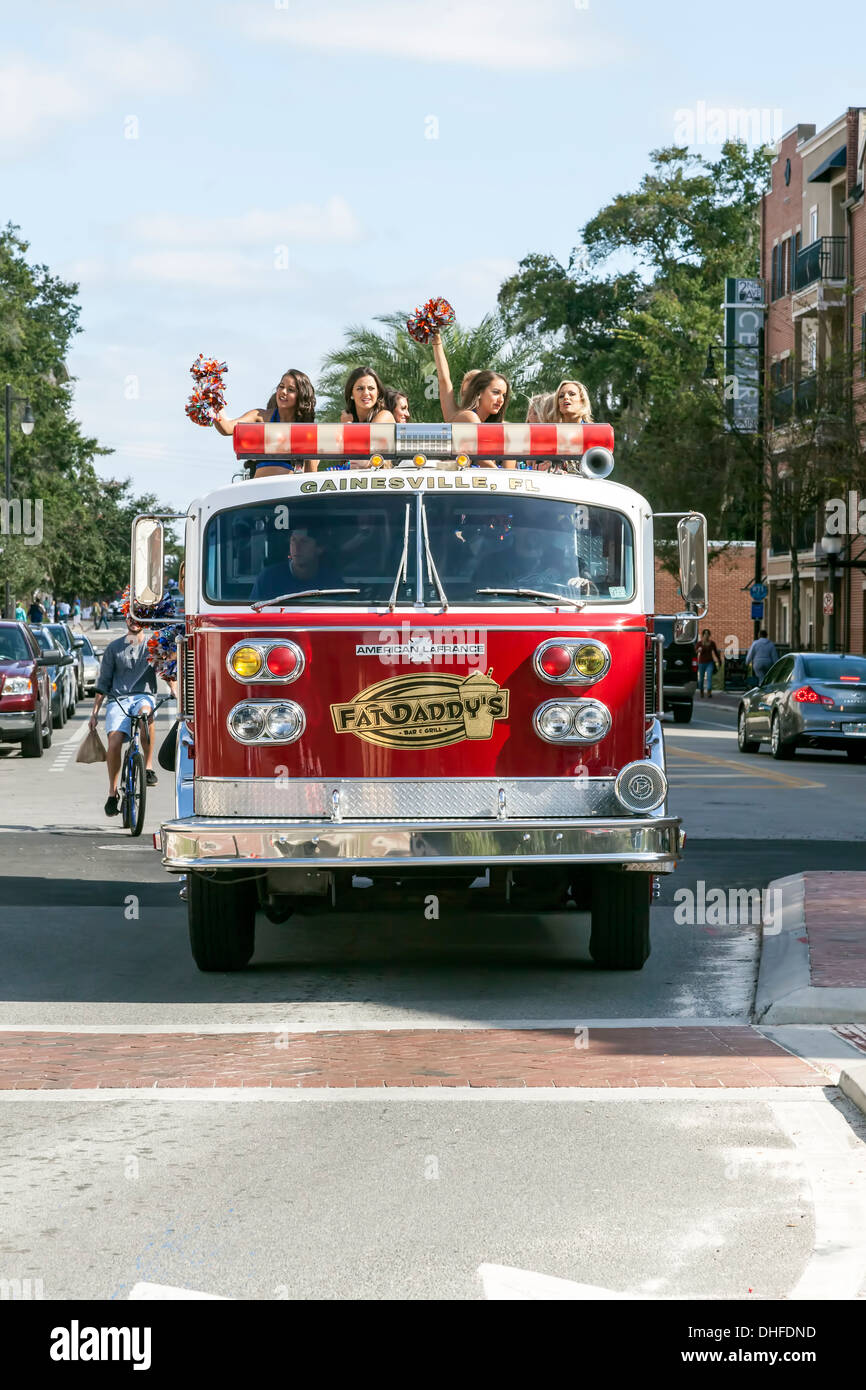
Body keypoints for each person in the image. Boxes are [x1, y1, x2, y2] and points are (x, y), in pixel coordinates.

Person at [90, 611, 175, 816]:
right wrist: (94, 714)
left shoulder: (153, 646)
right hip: (118, 699)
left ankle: (147, 766)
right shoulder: (114, 648)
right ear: (126, 620)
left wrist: (174, 689)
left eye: (139, 619)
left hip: (142, 696)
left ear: (144, 622)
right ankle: (112, 793)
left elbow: (164, 670)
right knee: (114, 742)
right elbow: (103, 684)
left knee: (146, 714)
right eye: (130, 618)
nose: (134, 623)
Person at [216, 368, 318, 477]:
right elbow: (226, 428)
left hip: (288, 492)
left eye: (291, 390)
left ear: (301, 396)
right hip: (260, 491)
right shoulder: (260, 416)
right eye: (281, 386)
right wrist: (212, 398)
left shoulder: (307, 431)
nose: (284, 392)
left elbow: (311, 477)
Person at [249, 523, 344, 602]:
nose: (296, 547)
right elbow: (252, 614)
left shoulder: (332, 581)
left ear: (319, 548)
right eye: (293, 541)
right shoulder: (268, 579)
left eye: (304, 542)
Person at [696, 628, 721, 698]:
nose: (706, 635)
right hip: (701, 663)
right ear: (703, 635)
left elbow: (716, 652)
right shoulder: (699, 643)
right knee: (701, 679)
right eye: (705, 634)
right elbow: (695, 651)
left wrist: (719, 660)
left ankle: (709, 692)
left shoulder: (712, 643)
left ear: (709, 635)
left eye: (707, 634)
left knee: (709, 677)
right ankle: (701, 691)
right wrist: (698, 650)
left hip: (710, 662)